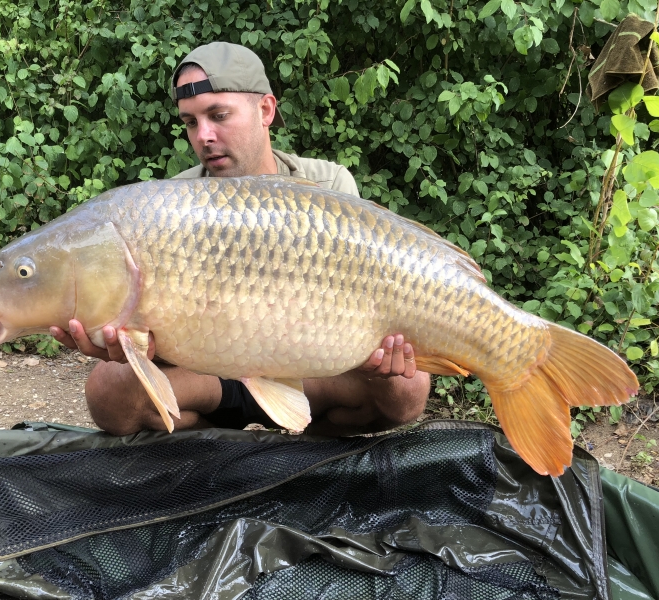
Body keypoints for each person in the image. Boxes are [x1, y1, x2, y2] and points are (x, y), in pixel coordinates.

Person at [50, 42, 430, 436]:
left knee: (408, 388)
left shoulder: (327, 186)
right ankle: (217, 450)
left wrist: (382, 357)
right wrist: (129, 344)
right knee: (108, 391)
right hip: (210, 376)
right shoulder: (170, 207)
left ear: (265, 110)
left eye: (218, 115)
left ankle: (306, 453)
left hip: (310, 373)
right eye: (191, 122)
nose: (204, 136)